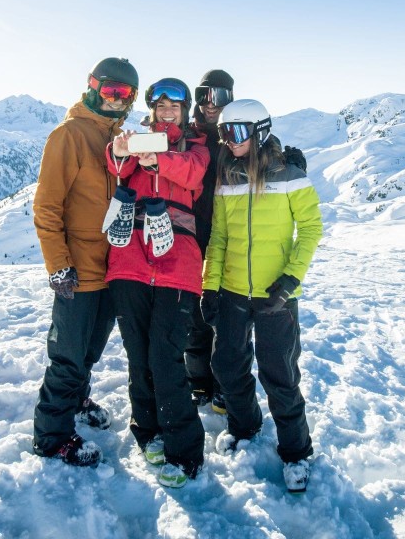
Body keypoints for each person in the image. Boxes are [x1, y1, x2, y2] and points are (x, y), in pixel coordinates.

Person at [202, 99, 323, 493]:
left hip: (277, 296)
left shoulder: (291, 176)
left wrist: (290, 280)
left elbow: (310, 230)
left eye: (235, 133)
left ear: (260, 131)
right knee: (228, 364)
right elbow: (218, 238)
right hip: (234, 290)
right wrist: (210, 286)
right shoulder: (227, 178)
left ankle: (296, 453)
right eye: (223, 133)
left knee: (280, 374)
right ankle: (243, 425)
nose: (228, 141)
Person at [32, 57, 139, 467]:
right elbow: (47, 207)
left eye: (124, 94)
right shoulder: (69, 135)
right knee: (68, 356)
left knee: (90, 351)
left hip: (111, 269)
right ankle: (52, 436)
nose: (116, 100)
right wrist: (58, 265)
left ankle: (76, 401)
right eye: (110, 90)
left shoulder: (120, 138)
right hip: (77, 272)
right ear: (93, 87)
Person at [105, 77, 209, 488]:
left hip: (177, 263)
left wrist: (157, 160)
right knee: (138, 353)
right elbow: (115, 167)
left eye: (175, 106)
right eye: (161, 104)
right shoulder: (135, 138)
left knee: (166, 356)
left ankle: (184, 450)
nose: (168, 111)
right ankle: (147, 431)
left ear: (184, 112)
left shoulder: (194, 148)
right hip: (129, 260)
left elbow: (192, 175)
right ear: (151, 107)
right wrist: (120, 149)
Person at [185, 69, 234, 412]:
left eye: (219, 96)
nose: (211, 104)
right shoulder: (191, 135)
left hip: (230, 234)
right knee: (194, 310)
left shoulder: (237, 133)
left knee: (227, 312)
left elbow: (263, 153)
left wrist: (285, 157)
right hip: (193, 233)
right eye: (204, 95)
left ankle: (222, 383)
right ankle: (198, 380)